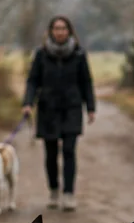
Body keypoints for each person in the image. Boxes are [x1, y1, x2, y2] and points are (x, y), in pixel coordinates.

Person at [21, 16, 96, 211]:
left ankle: (69, 193)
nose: (60, 31)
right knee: (51, 153)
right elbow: (32, 81)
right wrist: (28, 103)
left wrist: (91, 107)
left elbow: (86, 82)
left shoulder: (79, 54)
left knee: (70, 151)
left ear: (69, 31)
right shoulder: (41, 54)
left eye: (63, 28)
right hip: (48, 109)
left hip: (71, 108)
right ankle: (54, 189)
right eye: (56, 28)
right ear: (51, 31)